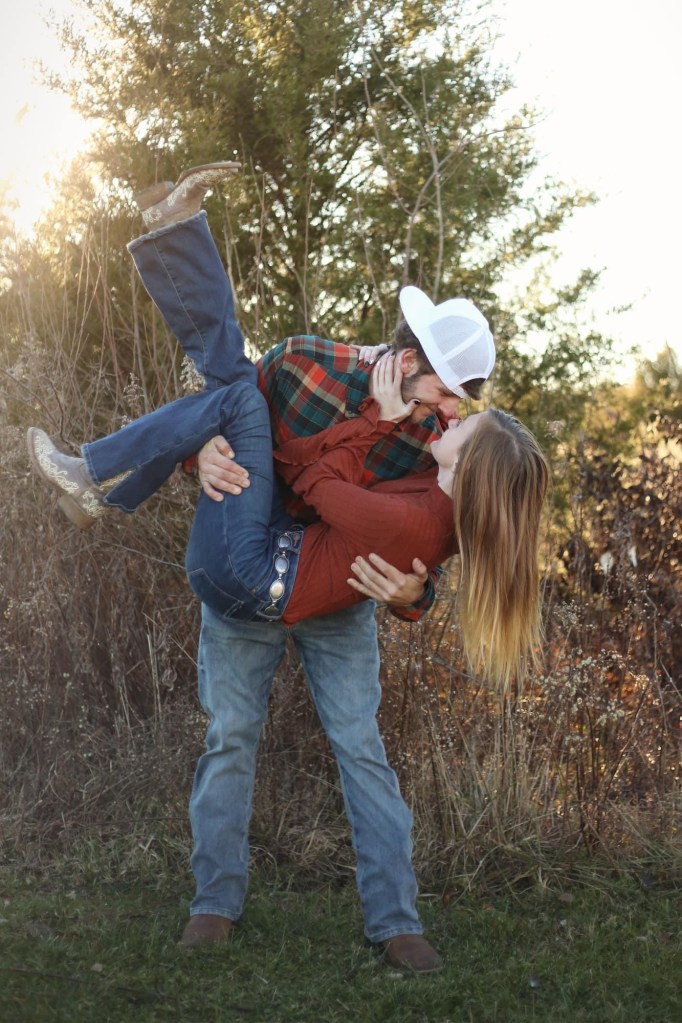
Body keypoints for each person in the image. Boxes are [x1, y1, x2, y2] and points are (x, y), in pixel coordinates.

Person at [27, 164, 545, 972]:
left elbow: (431, 530)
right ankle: (214, 902)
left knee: (360, 743)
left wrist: (417, 593)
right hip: (252, 550)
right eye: (449, 389)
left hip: (333, 595)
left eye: (464, 400)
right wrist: (206, 450)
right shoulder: (308, 362)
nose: (452, 410)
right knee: (230, 735)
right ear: (407, 357)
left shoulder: (436, 440)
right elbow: (241, 414)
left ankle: (396, 917)